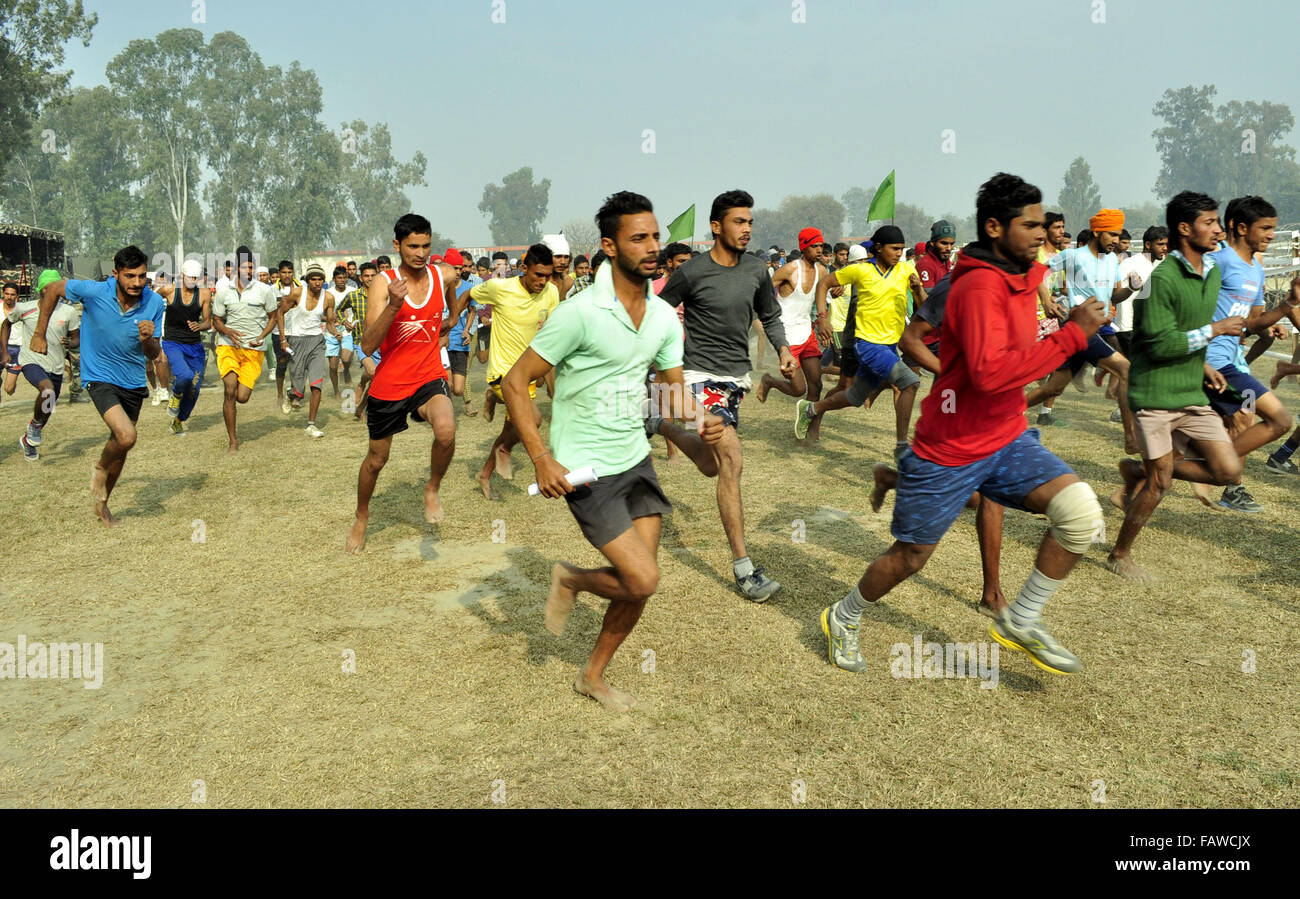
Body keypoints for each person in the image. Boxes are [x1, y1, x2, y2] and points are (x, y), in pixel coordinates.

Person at [819, 173, 1107, 676]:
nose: (1043, 233)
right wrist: (1071, 337)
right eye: (1031, 224)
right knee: (910, 558)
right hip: (949, 446)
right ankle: (843, 615)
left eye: (1045, 224)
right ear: (995, 227)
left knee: (1080, 515)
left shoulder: (1029, 275)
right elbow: (990, 374)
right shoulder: (975, 286)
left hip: (1007, 437)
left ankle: (1022, 618)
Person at [504, 191, 723, 713]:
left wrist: (703, 420)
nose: (653, 248)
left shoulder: (666, 317)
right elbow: (516, 383)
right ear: (609, 246)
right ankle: (571, 578)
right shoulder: (579, 313)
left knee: (638, 586)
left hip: (636, 459)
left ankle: (592, 676)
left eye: (655, 237)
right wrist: (541, 459)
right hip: (586, 469)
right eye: (639, 239)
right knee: (643, 576)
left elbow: (671, 391)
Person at [655, 189, 794, 601]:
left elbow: (769, 315)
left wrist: (784, 349)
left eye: (750, 222)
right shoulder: (691, 272)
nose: (747, 229)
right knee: (731, 459)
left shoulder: (756, 270)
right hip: (697, 376)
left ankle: (658, 424)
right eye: (738, 221)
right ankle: (744, 568)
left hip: (736, 380)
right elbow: (660, 314)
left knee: (711, 464)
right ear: (716, 227)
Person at [1105, 192, 1250, 581]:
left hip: (1190, 392)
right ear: (1185, 229)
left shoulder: (1212, 273)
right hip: (1153, 395)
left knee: (1227, 471)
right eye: (1210, 222)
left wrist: (1201, 362)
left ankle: (1139, 471)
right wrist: (1215, 331)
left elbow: (1184, 330)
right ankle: (1120, 554)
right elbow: (1155, 342)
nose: (1218, 229)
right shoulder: (1161, 279)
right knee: (1162, 482)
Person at [346, 214, 463, 553]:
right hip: (390, 383)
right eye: (413, 246)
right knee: (376, 460)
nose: (421, 252)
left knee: (446, 430)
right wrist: (394, 306)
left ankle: (432, 488)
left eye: (426, 245)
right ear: (397, 245)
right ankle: (362, 516)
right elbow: (367, 345)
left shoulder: (443, 275)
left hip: (428, 375)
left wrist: (450, 321)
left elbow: (452, 302)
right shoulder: (384, 283)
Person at [30, 247, 166, 526]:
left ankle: (103, 504)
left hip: (133, 380)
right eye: (130, 276)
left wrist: (147, 339)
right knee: (127, 436)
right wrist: (39, 333)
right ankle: (100, 468)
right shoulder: (94, 291)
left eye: (141, 276)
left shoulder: (154, 302)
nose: (137, 283)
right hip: (100, 375)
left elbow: (154, 354)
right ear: (115, 274)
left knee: (121, 446)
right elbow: (54, 289)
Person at [1200, 196, 1298, 510]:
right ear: (1241, 228)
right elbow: (1193, 308)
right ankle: (1223, 479)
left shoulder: (1256, 268)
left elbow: (1251, 323)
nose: (1271, 235)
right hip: (1211, 361)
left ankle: (1224, 482)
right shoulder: (1219, 261)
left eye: (1273, 228)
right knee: (1265, 417)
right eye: (1265, 228)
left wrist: (1281, 312)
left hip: (1232, 360)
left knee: (1240, 419)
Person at [797, 225, 924, 458]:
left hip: (889, 346)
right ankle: (902, 447)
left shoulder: (907, 270)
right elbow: (823, 283)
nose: (899, 253)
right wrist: (822, 318)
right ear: (878, 248)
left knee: (854, 397)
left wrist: (918, 289)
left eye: (902, 249)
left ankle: (811, 409)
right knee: (910, 382)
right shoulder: (861, 271)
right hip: (866, 344)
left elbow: (923, 306)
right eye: (894, 248)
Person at [468, 244, 560, 497]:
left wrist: (543, 370)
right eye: (538, 275)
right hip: (503, 370)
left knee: (512, 428)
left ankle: (484, 474)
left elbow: (548, 333)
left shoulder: (551, 292)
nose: (543, 281)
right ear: (523, 268)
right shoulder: (500, 288)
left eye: (547, 276)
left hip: (527, 372)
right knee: (534, 420)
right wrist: (453, 319)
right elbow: (468, 294)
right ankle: (505, 448)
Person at [212, 246, 285, 452]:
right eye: (245, 267)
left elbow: (274, 316)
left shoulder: (264, 290)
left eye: (251, 267)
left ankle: (231, 406)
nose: (249, 271)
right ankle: (233, 441)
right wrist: (227, 330)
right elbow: (216, 320)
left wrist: (262, 336)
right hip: (228, 346)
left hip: (254, 350)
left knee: (241, 397)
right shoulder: (224, 291)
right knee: (229, 390)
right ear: (236, 269)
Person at [756, 226, 826, 431]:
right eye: (815, 246)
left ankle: (808, 430)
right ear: (804, 247)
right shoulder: (790, 270)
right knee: (798, 389)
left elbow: (824, 294)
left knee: (816, 385)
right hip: (787, 336)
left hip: (807, 333)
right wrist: (761, 317)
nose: (819, 250)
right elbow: (763, 291)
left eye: (821, 246)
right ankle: (769, 381)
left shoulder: (822, 271)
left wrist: (835, 292)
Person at [5, 269, 79, 460]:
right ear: (40, 290)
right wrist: (4, 350)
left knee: (47, 407)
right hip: (31, 361)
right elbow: (6, 324)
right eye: (47, 288)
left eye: (55, 287)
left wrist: (70, 344)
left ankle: (29, 438)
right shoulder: (25, 308)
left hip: (56, 366)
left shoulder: (68, 311)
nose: (51, 291)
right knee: (47, 391)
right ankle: (34, 429)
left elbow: (76, 339)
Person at [155, 258, 212, 436]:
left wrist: (199, 326)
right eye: (189, 277)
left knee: (194, 387)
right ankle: (176, 396)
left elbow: (208, 321)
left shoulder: (203, 294)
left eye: (196, 278)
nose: (192, 281)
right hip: (173, 343)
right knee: (185, 376)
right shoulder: (169, 290)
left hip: (194, 346)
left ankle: (178, 421)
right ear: (181, 275)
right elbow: (149, 302)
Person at [278, 263, 334, 437]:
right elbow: (279, 313)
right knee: (299, 391)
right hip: (296, 341)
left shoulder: (329, 297)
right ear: (308, 280)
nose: (317, 283)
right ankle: (291, 393)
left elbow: (330, 322)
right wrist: (282, 339)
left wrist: (336, 332)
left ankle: (311, 425)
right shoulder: (297, 293)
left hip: (317, 342)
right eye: (313, 279)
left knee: (316, 385)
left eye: (320, 279)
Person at [337, 262, 378, 422]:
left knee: (377, 380)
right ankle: (361, 384)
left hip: (381, 344)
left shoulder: (385, 295)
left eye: (373, 276)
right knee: (373, 372)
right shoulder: (353, 296)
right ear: (361, 278)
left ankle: (361, 407)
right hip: (361, 341)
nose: (369, 279)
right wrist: (345, 322)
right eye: (366, 276)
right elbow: (338, 310)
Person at [325, 264, 355, 398]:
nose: (342, 280)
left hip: (348, 330)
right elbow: (321, 314)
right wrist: (331, 321)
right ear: (334, 279)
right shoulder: (328, 294)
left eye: (344, 277)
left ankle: (347, 370)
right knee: (332, 366)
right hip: (331, 331)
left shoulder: (352, 291)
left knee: (346, 358)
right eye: (339, 278)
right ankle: (336, 391)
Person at [2, 281, 21, 398]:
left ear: (17, 296)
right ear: (3, 294)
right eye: (7, 294)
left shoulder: (22, 310)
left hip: (16, 349)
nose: (9, 297)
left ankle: (12, 383)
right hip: (1, 347)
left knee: (9, 389)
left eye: (12, 294)